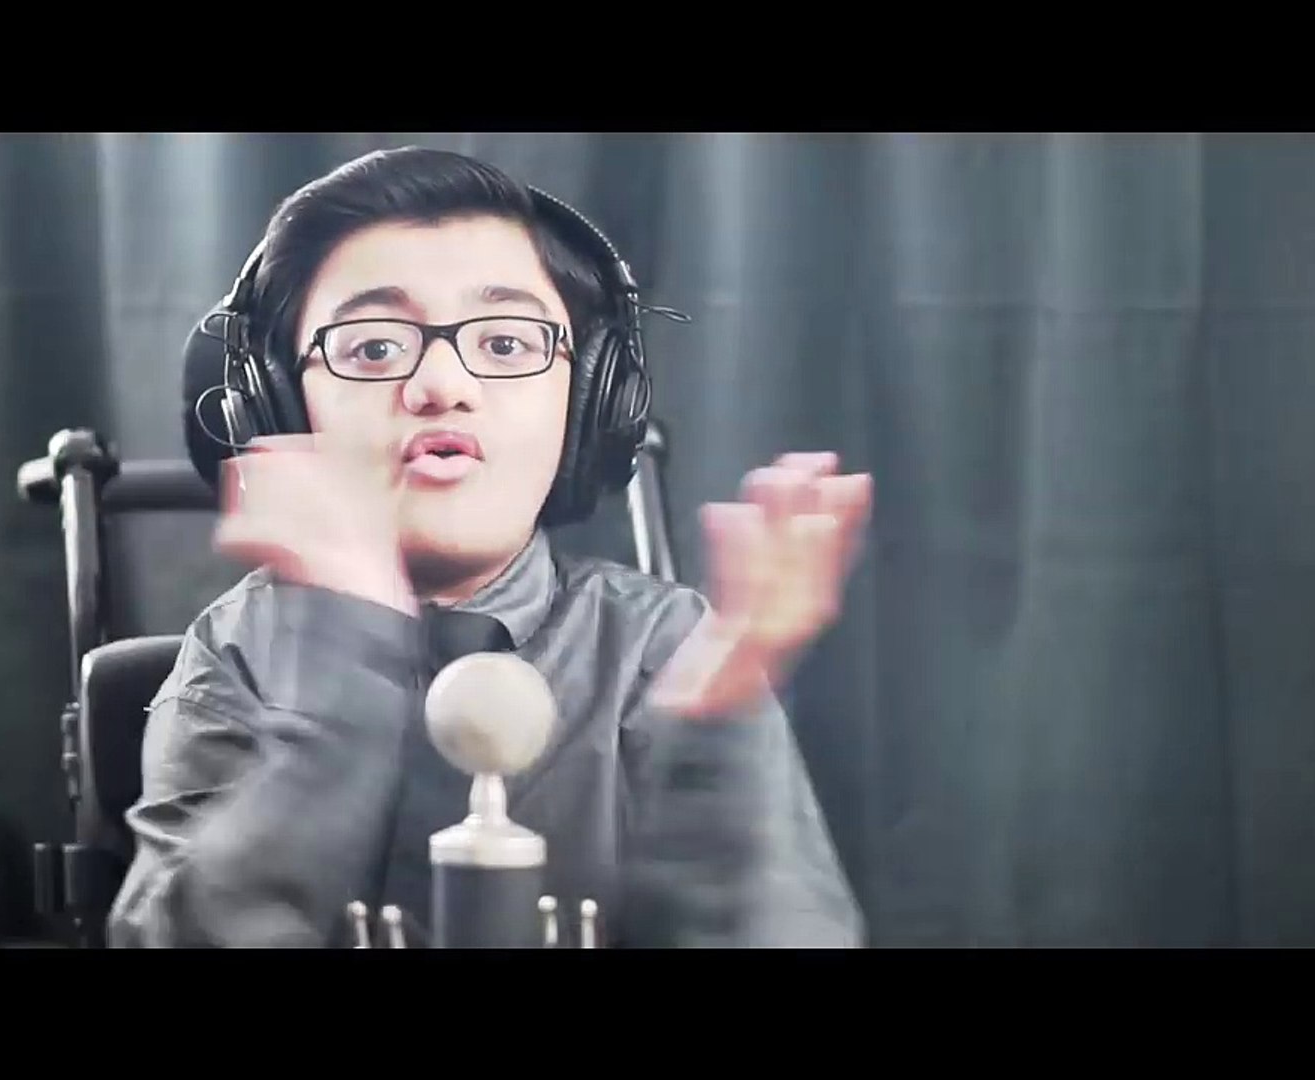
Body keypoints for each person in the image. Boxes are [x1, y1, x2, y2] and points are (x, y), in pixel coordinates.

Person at [107, 146, 871, 948]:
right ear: (281, 408)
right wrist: (346, 665)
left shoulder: (671, 648)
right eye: (373, 348)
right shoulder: (238, 654)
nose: (443, 386)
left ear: (591, 400)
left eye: (506, 344)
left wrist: (717, 736)